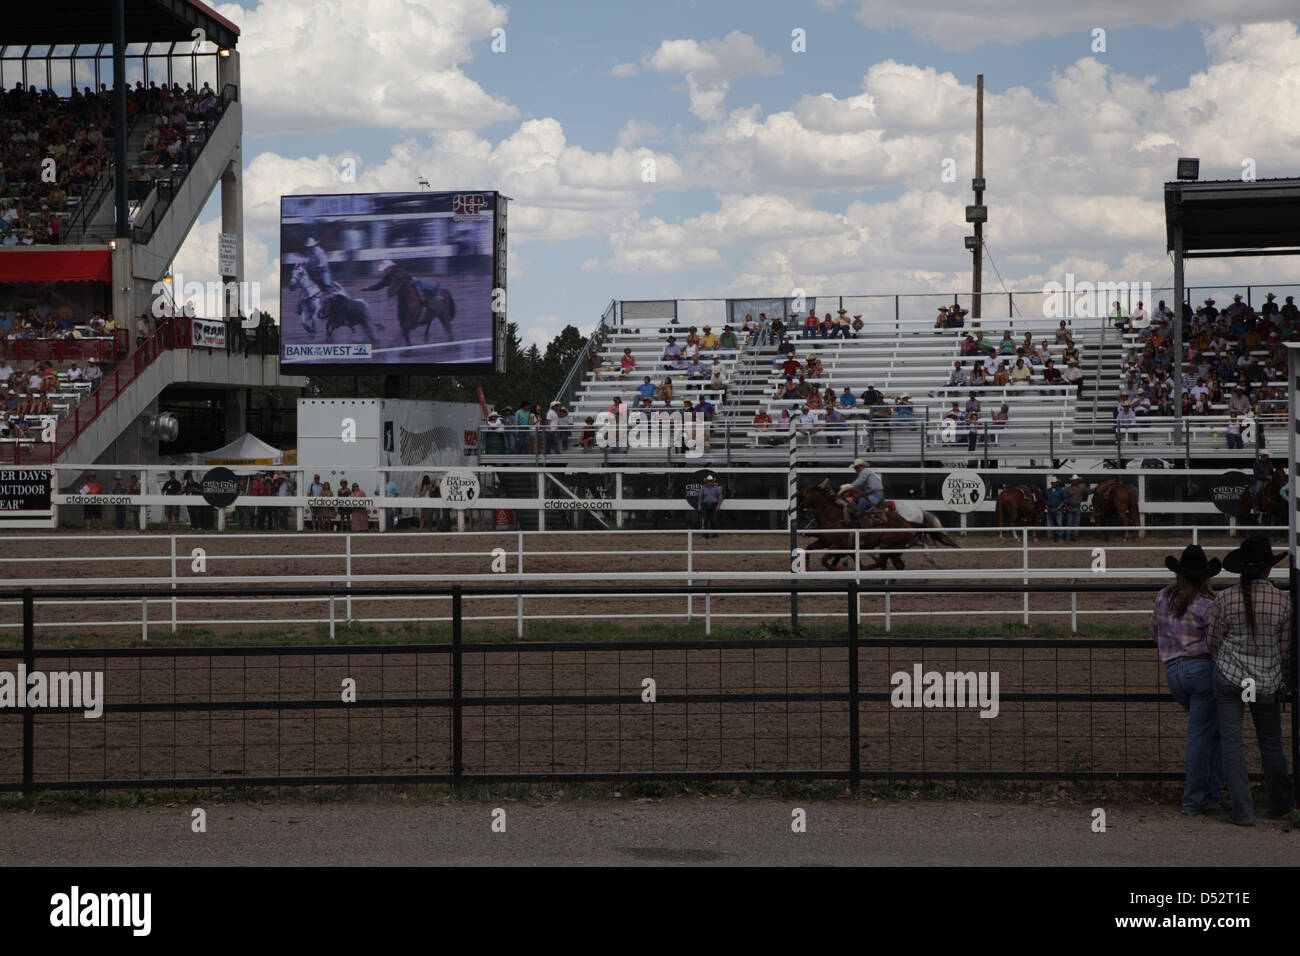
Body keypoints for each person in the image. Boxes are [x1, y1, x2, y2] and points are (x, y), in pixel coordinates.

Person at [1208, 536, 1294, 826]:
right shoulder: (1283, 603)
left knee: (1232, 743)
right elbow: (1284, 651)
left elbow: (1213, 640)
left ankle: (1242, 811)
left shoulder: (1224, 598)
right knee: (1270, 743)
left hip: (1231, 677)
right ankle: (1281, 805)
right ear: (1267, 569)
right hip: (1265, 680)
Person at [1152, 545, 1224, 815]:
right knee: (1201, 735)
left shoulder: (1163, 597)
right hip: (1202, 670)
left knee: (1208, 732)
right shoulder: (1207, 604)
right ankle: (1195, 800)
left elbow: (1154, 631)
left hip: (1174, 671)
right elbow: (1214, 641)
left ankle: (1214, 792)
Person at [697, 473, 723, 539]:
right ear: (707, 482)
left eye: (711, 481)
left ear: (713, 481)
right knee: (705, 520)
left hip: (714, 505)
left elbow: (720, 497)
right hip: (705, 505)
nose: (710, 482)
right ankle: (706, 535)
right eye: (708, 481)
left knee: (713, 520)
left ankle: (715, 535)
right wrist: (699, 505)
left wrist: (719, 505)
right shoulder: (703, 488)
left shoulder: (716, 488)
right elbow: (700, 497)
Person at [1064, 474, 1088, 541]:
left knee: (1076, 523)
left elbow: (1088, 491)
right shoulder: (1067, 489)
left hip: (1077, 507)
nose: (1075, 481)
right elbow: (1064, 499)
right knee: (1069, 523)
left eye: (1076, 480)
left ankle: (1075, 537)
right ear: (1072, 481)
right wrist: (1066, 506)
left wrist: (1098, 488)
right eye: (1074, 480)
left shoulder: (1081, 488)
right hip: (1070, 507)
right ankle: (1068, 538)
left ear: (1078, 481)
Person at [1045, 476, 1067, 542]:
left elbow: (1065, 499)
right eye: (1052, 483)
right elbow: (1045, 499)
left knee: (1059, 523)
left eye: (1055, 482)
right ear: (1051, 483)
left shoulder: (1061, 491)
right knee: (1052, 524)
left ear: (1057, 483)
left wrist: (1060, 505)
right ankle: (1053, 537)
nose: (1053, 484)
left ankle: (1060, 537)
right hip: (1050, 509)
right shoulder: (1048, 491)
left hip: (1058, 509)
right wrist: (1046, 505)